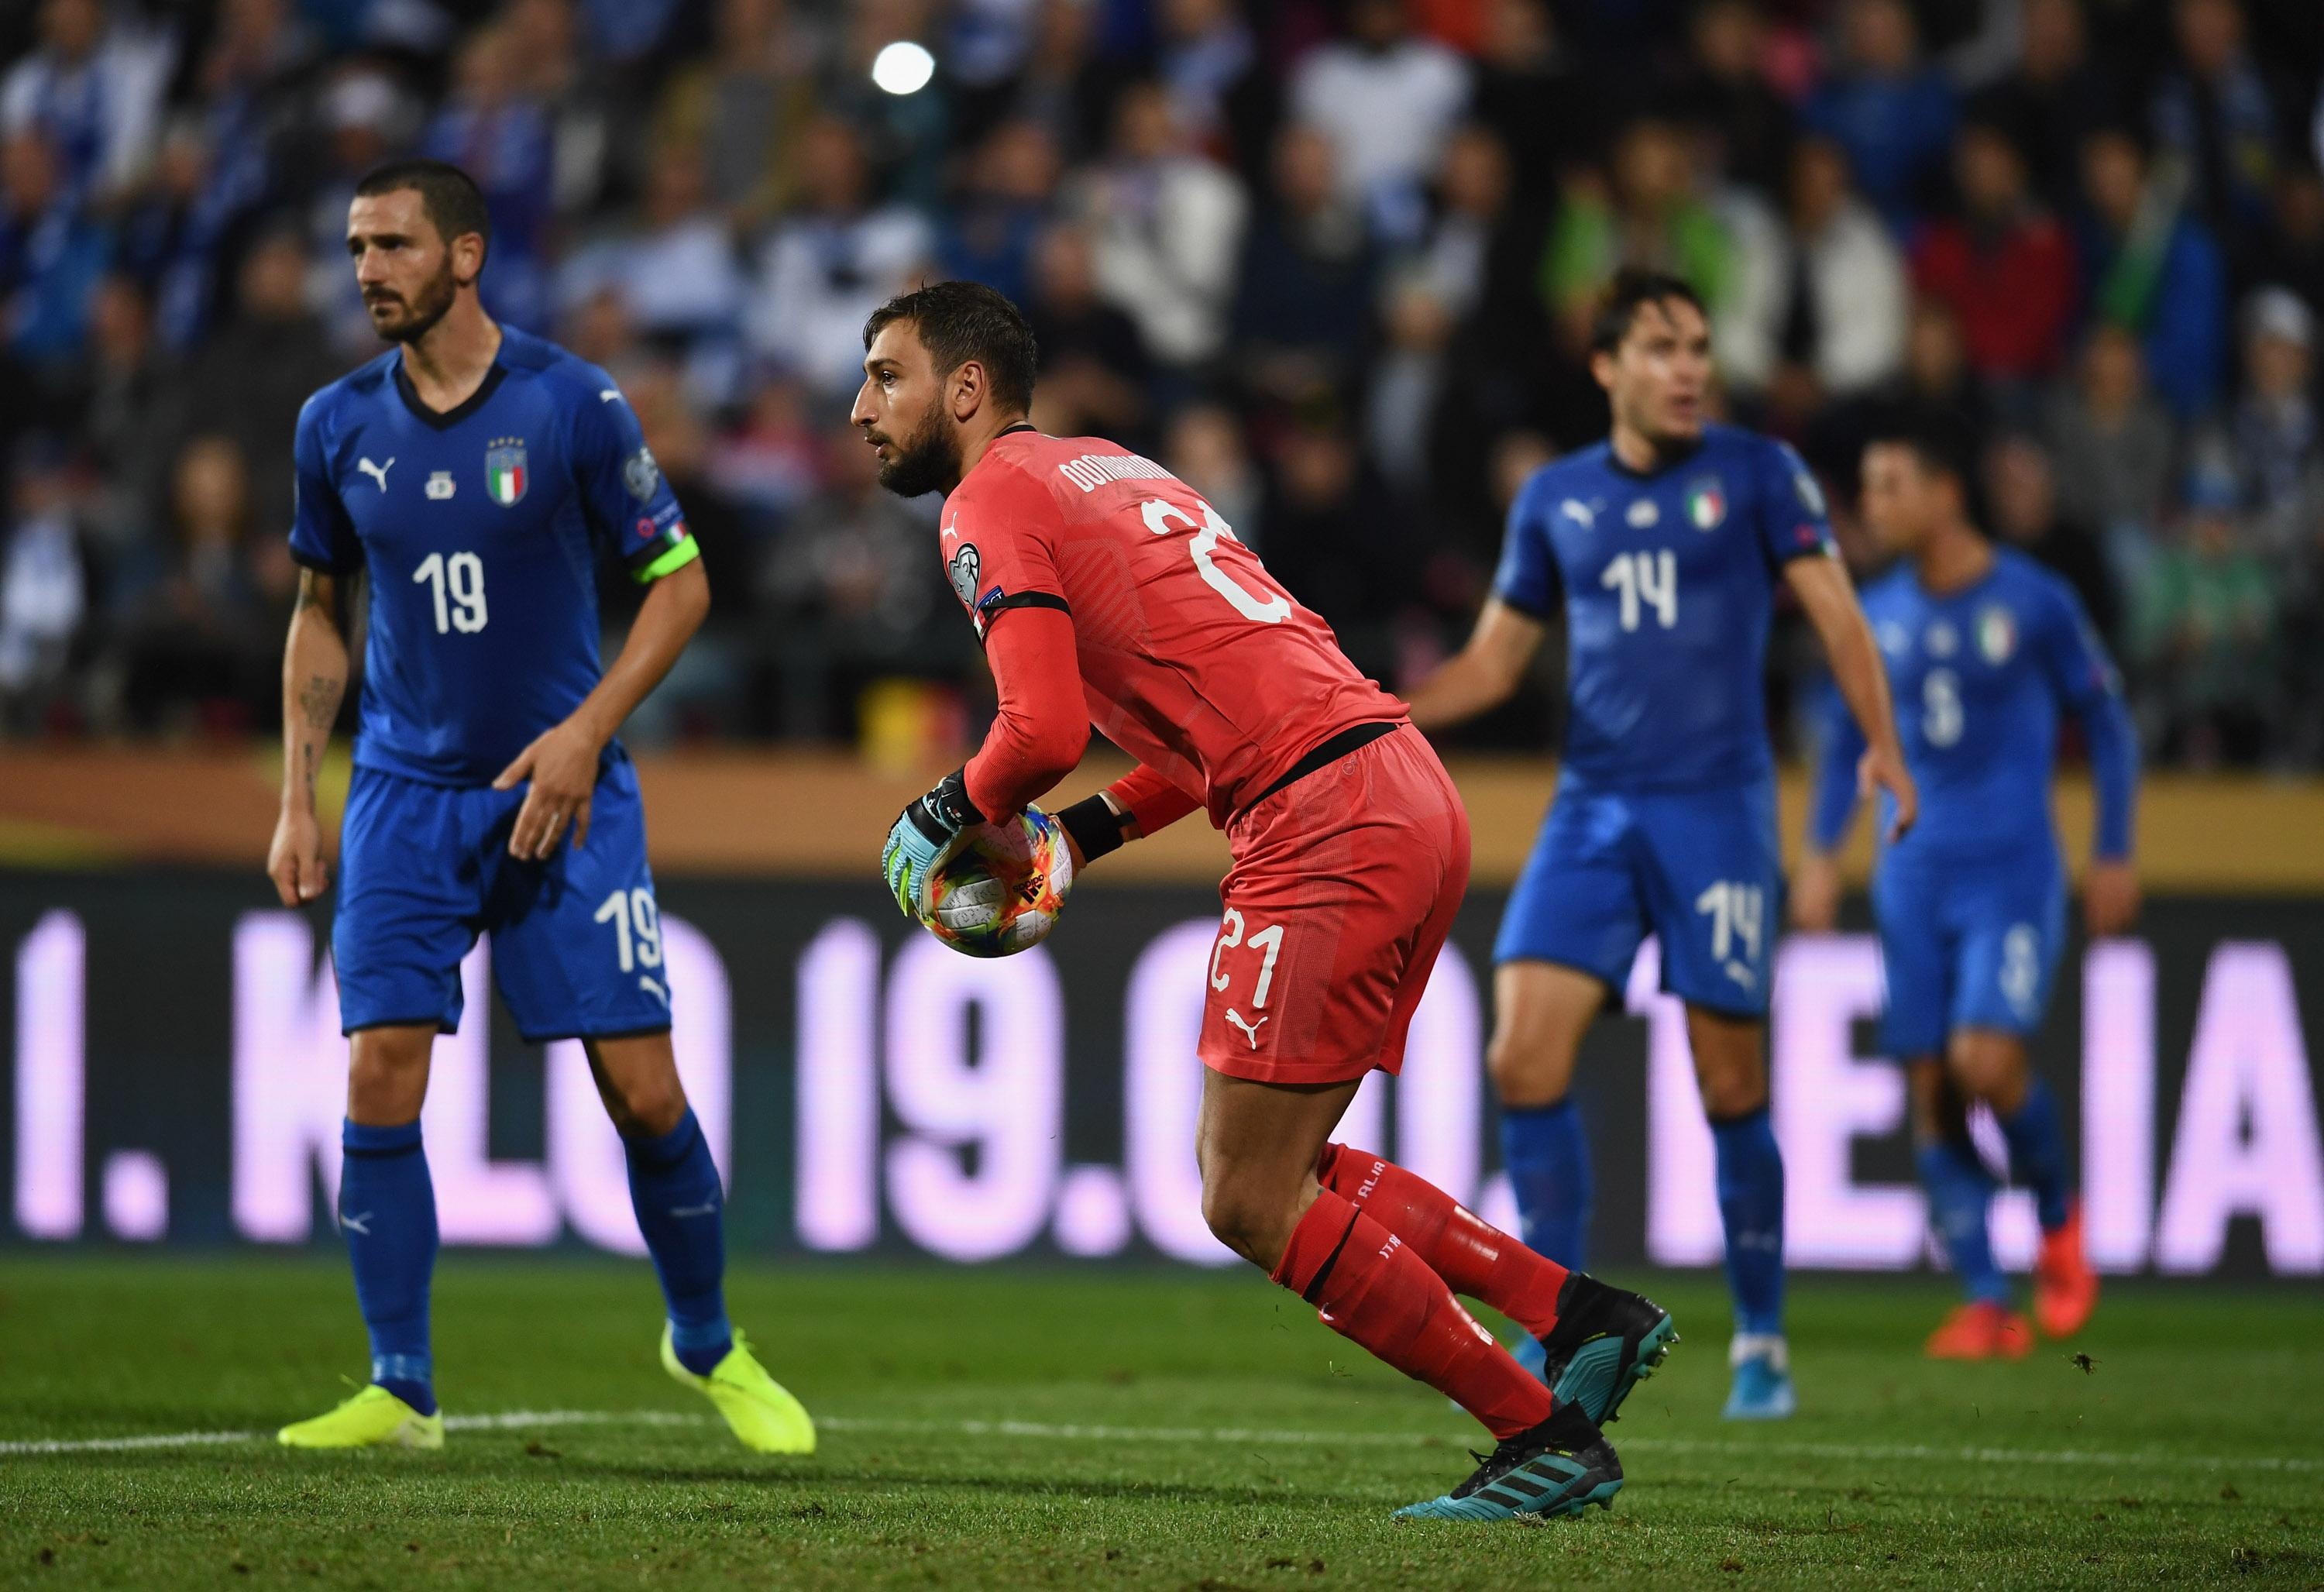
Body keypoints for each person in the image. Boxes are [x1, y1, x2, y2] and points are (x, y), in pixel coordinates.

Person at [858, 279, 1675, 1523]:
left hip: (1324, 821)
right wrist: (1077, 833)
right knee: (1284, 1166)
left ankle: (1540, 1434)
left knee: (1245, 1194)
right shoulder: (1115, 472)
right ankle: (1576, 1315)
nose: (863, 407)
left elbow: (1040, 724)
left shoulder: (987, 501)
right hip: (1398, 784)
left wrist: (939, 815)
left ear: (965, 389)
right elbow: (1198, 725)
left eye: (886, 375)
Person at [265, 159, 810, 1455]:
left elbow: (678, 584)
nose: (366, 271)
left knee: (646, 1093)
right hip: (404, 792)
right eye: (354, 248)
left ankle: (707, 1343)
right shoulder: (332, 425)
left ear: (464, 255)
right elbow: (317, 612)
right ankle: (400, 1387)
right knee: (380, 1069)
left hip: (567, 795)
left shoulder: (573, 405)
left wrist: (586, 732)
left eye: (392, 244)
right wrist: (300, 794)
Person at [1402, 270, 1916, 1421]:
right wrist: (1380, 708)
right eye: (1662, 347)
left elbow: (1838, 611)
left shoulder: (1757, 473)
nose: (1690, 367)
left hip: (1715, 812)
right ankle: (1564, 1330)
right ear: (1606, 367)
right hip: (1591, 809)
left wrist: (1881, 744)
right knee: (1520, 1059)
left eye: (1698, 346)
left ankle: (1765, 1338)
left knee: (1729, 1083)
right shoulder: (1554, 497)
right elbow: (1493, 662)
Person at [1793, 419, 2137, 1358]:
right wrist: (1823, 856)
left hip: (2011, 873)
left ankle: (2059, 1224)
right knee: (1935, 1086)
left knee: (1987, 1063)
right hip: (1912, 877)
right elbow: (1845, 745)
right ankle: (1988, 1302)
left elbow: (2109, 727)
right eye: (1866, 484)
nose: (1871, 503)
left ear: (1945, 494)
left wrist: (2114, 851)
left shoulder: (2034, 601)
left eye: (1888, 482)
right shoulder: (1876, 613)